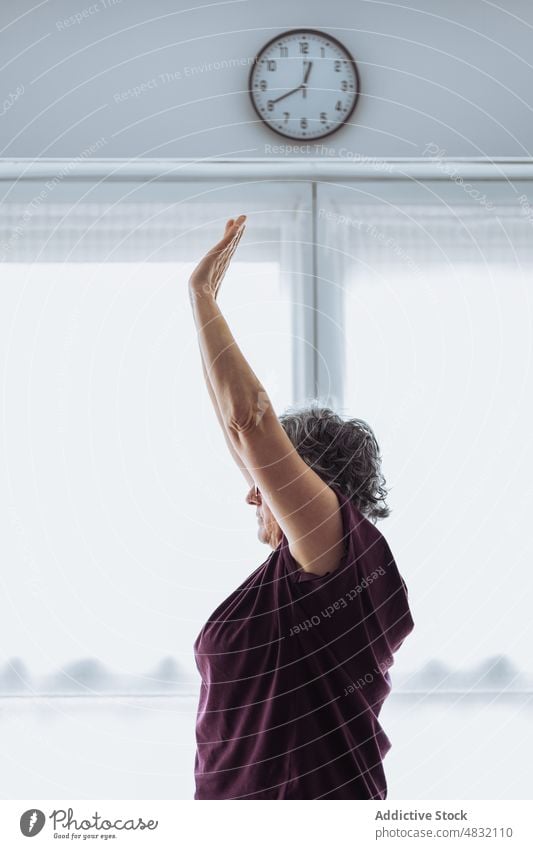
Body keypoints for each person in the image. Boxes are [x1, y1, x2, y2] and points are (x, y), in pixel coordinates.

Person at [189, 215, 414, 800]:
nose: (248, 492)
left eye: (263, 481)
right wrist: (201, 306)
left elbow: (251, 422)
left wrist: (202, 299)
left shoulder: (337, 557)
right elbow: (243, 435)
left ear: (306, 483)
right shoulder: (301, 570)